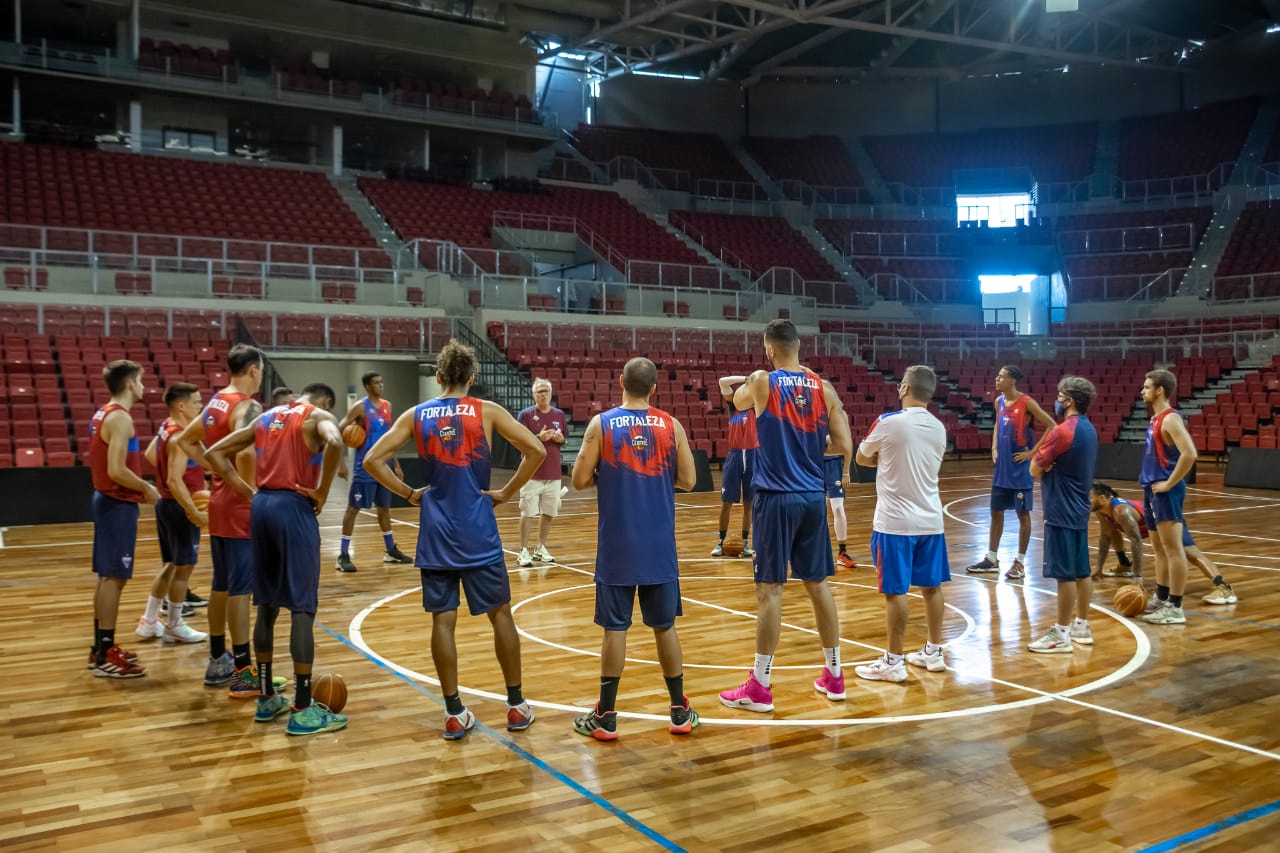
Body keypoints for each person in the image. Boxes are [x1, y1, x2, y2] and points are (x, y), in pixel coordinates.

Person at [363, 339, 546, 740]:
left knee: (443, 621)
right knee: (501, 615)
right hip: (478, 527)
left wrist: (410, 493)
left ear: (439, 376)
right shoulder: (488, 412)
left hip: (436, 531)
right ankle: (515, 706)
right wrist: (506, 493)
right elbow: (535, 449)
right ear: (472, 377)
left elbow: (370, 460)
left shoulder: (416, 414)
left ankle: (453, 712)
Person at [719, 319, 852, 712]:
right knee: (818, 586)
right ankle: (835, 675)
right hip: (813, 496)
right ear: (799, 344)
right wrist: (809, 446)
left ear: (770, 348)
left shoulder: (762, 379)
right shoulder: (823, 387)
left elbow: (736, 400)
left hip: (775, 497)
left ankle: (760, 685)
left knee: (770, 591)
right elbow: (843, 443)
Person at [205, 383, 348, 736]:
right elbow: (336, 442)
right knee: (302, 606)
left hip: (261, 507)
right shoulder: (318, 417)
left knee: (266, 604)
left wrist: (247, 491)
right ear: (324, 401)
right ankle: (302, 707)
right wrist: (324, 490)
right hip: (293, 509)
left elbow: (214, 453)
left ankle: (267, 698)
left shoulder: (266, 417)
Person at [569, 357, 700, 739]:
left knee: (615, 629)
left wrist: (605, 475)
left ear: (621, 381)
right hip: (659, 543)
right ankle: (678, 710)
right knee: (664, 628)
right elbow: (690, 481)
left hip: (617, 545)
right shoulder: (671, 425)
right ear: (654, 389)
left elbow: (577, 479)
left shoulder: (602, 424)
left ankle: (606, 716)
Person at [176, 344, 265, 695]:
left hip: (218, 502)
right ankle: (243, 673)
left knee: (222, 585)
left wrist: (216, 471)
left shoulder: (215, 403)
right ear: (254, 370)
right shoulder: (248, 406)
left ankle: (218, 660)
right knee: (241, 590)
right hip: (240, 506)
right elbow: (244, 452)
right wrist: (250, 492)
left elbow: (186, 439)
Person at [853, 365, 950, 682]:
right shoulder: (939, 427)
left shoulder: (887, 422)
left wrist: (884, 458)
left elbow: (862, 458)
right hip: (931, 521)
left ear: (905, 387)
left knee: (895, 592)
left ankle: (893, 661)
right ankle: (934, 652)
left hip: (895, 523)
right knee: (931, 588)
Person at [87, 359, 160, 677]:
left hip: (107, 500)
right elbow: (117, 470)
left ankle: (101, 648)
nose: (144, 386)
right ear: (130, 384)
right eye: (141, 380)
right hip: (117, 503)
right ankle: (104, 654)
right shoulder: (120, 419)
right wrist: (147, 487)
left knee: (107, 577)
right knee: (113, 579)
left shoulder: (104, 412)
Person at [1027, 376, 1099, 654]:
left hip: (1060, 509)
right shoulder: (1089, 429)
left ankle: (1061, 633)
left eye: (1059, 396)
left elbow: (1034, 470)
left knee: (1065, 575)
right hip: (1080, 508)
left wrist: (1048, 465)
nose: (1056, 401)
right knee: (1082, 571)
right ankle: (1082, 625)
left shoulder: (1062, 431)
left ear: (1068, 399)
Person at [134, 382, 209, 646]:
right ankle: (175, 625)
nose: (200, 406)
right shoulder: (179, 437)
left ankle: (149, 620)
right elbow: (176, 481)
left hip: (165, 505)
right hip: (179, 505)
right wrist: (193, 510)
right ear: (181, 405)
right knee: (184, 568)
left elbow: (150, 454)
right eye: (197, 402)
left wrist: (172, 475)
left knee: (171, 565)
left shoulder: (166, 426)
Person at [966, 366, 1056, 580]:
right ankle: (991, 559)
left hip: (1020, 469)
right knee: (996, 512)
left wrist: (1033, 453)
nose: (997, 379)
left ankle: (1020, 563)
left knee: (1022, 515)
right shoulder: (998, 402)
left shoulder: (1027, 402)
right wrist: (994, 447)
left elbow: (1052, 426)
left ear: (1013, 381)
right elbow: (998, 425)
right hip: (1002, 468)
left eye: (1001, 376)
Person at [1089, 482, 1237, 605]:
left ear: (1102, 498)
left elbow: (1136, 542)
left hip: (1164, 520)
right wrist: (1098, 568)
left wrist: (1138, 575)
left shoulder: (1121, 511)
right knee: (1110, 531)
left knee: (1190, 552)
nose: (1085, 501)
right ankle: (1124, 565)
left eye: (1089, 497)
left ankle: (1224, 588)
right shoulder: (1102, 512)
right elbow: (1104, 539)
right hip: (1150, 526)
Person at [1138, 368, 1201, 624]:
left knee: (1174, 550)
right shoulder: (1154, 419)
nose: (1142, 390)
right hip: (1150, 488)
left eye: (1146, 386)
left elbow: (1191, 453)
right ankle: (1162, 597)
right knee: (1158, 549)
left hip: (1165, 491)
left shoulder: (1170, 418)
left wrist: (1169, 484)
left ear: (1159, 390)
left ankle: (1175, 607)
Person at [335, 372, 413, 572]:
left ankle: (390, 551)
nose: (381, 385)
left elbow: (390, 437)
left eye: (382, 382)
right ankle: (343, 554)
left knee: (384, 508)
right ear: (367, 387)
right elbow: (338, 430)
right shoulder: (360, 407)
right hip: (365, 467)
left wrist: (396, 464)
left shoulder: (387, 406)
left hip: (384, 467)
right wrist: (340, 463)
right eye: (377, 383)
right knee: (353, 508)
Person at [515, 377, 567, 567]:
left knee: (548, 513)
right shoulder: (525, 415)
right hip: (531, 473)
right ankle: (523, 550)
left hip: (553, 473)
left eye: (545, 390)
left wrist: (560, 439)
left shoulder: (559, 415)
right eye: (539, 391)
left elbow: (565, 441)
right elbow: (519, 440)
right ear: (533, 394)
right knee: (527, 512)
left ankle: (540, 547)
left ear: (551, 393)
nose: (542, 394)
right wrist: (539, 437)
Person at [711, 375, 756, 558]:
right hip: (735, 455)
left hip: (754, 455)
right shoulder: (733, 407)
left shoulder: (758, 407)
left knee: (749, 503)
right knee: (726, 503)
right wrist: (746, 378)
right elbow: (722, 381)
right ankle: (720, 542)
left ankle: (746, 543)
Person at [825, 437, 856, 569]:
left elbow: (847, 443)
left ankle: (842, 552)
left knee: (838, 508)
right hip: (813, 463)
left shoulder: (837, 417)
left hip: (833, 465)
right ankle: (821, 551)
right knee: (818, 509)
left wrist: (846, 471)